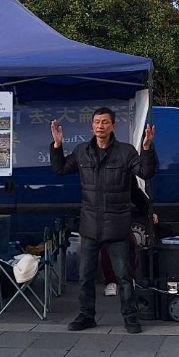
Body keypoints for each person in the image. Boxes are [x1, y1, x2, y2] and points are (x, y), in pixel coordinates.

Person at [50, 107, 156, 334]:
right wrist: (58, 146)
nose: (100, 126)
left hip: (117, 225)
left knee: (124, 276)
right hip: (90, 225)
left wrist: (146, 148)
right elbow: (59, 169)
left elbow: (146, 172)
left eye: (105, 122)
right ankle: (86, 316)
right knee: (85, 276)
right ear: (92, 125)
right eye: (97, 122)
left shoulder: (126, 152)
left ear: (113, 126)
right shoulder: (81, 152)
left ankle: (130, 317)